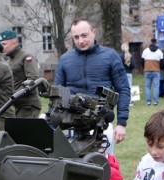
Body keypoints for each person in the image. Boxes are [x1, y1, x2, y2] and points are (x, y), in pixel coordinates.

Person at [55, 18, 130, 154]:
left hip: (102, 124)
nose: (80, 41)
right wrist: (60, 114)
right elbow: (60, 91)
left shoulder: (110, 56)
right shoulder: (65, 60)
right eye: (76, 37)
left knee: (103, 168)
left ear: (93, 32)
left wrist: (121, 123)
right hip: (73, 125)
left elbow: (123, 89)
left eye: (84, 35)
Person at [0, 30, 42, 117]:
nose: (2, 48)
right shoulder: (9, 61)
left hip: (28, 105)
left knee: (22, 130)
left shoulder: (27, 57)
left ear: (14, 43)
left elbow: (33, 79)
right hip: (15, 105)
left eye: (4, 44)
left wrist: (15, 95)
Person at [142, 38, 164, 106]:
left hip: (147, 70)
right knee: (156, 86)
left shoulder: (145, 51)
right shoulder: (159, 52)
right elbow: (162, 62)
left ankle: (148, 101)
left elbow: (142, 61)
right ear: (156, 42)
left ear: (150, 42)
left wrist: (144, 67)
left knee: (147, 86)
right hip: (156, 70)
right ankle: (155, 101)